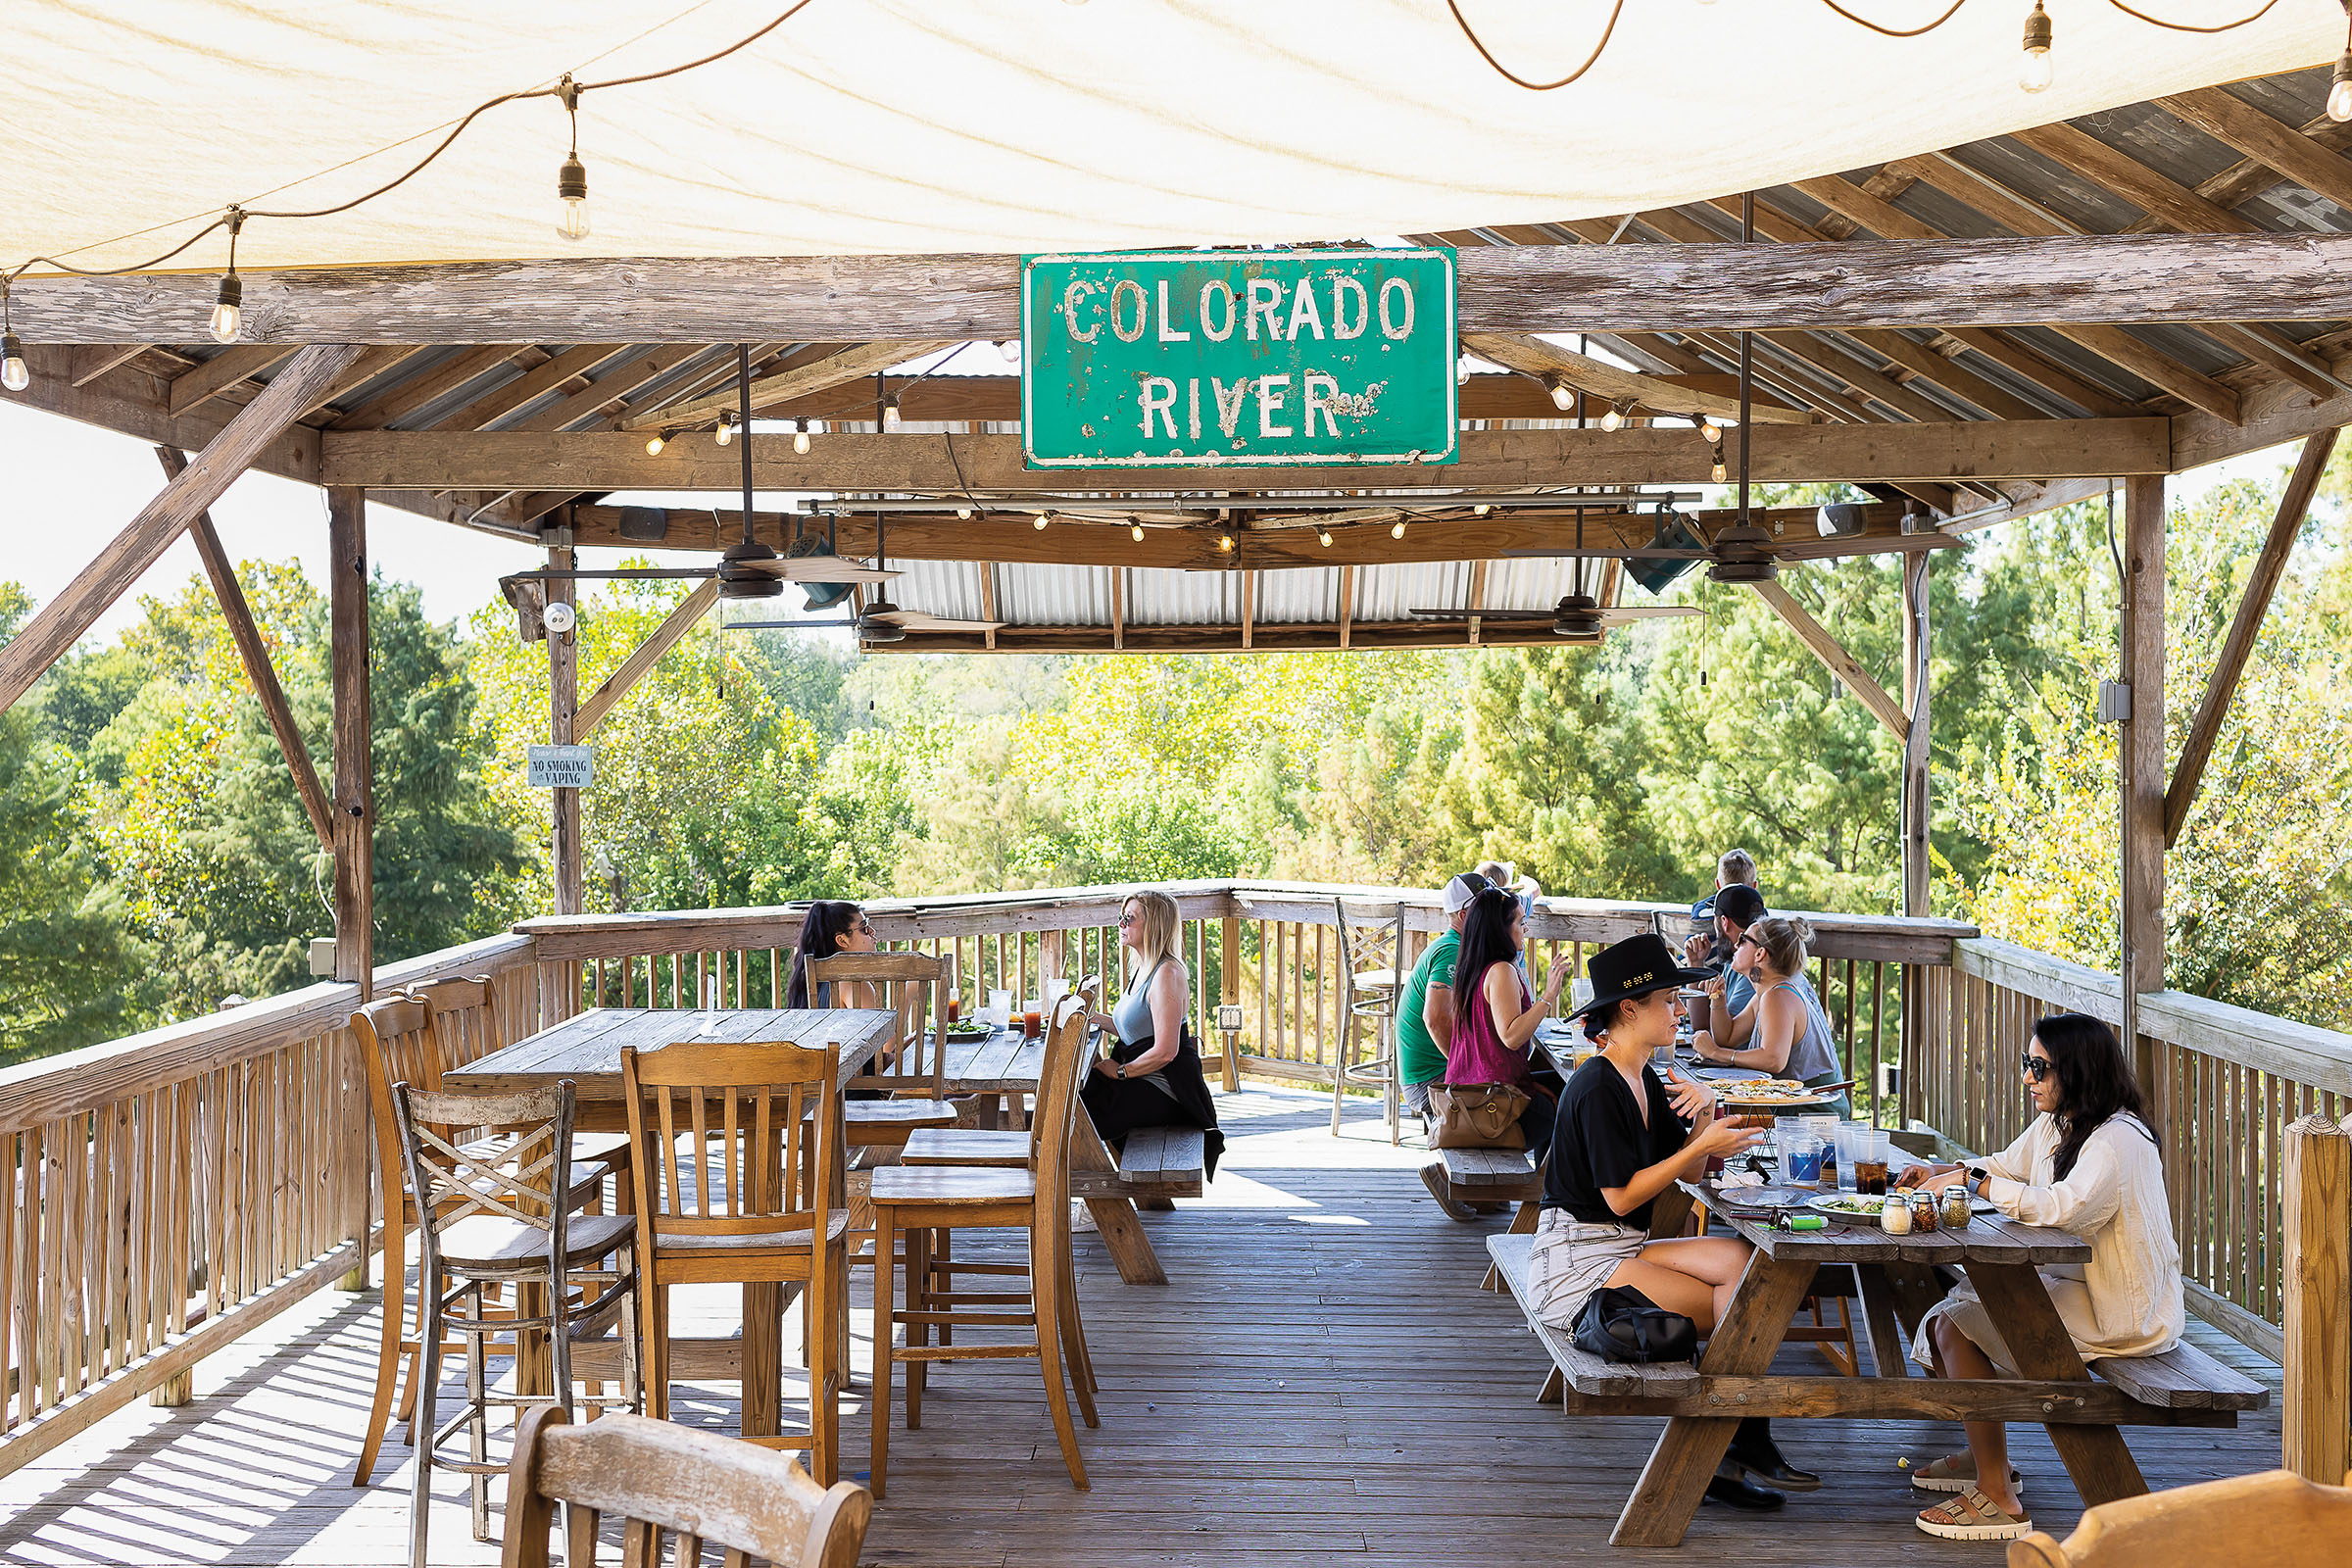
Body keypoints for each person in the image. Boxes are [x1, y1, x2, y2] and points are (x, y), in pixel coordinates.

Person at [1534, 933, 1810, 1511]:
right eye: (1670, 1000)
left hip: (1620, 1245)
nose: (1681, 1010)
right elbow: (1619, 1196)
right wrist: (1695, 1150)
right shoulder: (1596, 1086)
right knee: (1735, 1308)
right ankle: (1721, 1450)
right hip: (1576, 1261)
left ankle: (1735, 1442)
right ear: (1630, 1010)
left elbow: (1680, 1166)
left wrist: (1708, 1119)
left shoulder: (1645, 1078)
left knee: (1744, 1265)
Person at [1894, 1013, 2181, 1543]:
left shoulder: (2117, 1140)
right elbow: (2005, 1166)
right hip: (2082, 1287)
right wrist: (1944, 1175)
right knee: (1949, 1318)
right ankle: (1990, 1459)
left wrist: (1975, 1186)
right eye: (2027, 1064)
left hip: (2124, 1310)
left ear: (2077, 1070)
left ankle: (1997, 1494)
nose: (2027, 1076)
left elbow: (2061, 1210)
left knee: (1956, 1328)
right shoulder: (2063, 1121)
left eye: (2039, 1067)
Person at [1083, 889, 1226, 1178]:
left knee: (1075, 1113)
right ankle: (1092, 1198)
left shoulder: (1166, 975)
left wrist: (1121, 1071)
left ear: (1155, 925)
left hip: (1166, 1093)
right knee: (1072, 1100)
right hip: (1143, 1081)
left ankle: (1095, 1202)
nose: (1121, 924)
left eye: (1129, 918)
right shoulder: (1144, 968)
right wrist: (1088, 1019)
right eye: (1121, 917)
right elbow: (1135, 1029)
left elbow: (1165, 1050)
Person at [1445, 886, 1566, 1162]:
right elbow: (1511, 1036)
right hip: (1492, 1105)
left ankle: (1542, 1189)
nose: (1525, 928)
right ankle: (1545, 1191)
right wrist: (1548, 996)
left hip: (1469, 1094)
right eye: (1520, 922)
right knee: (1574, 1102)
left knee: (1563, 1086)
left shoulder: (1473, 967)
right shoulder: (1501, 971)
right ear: (1500, 929)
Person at [1690, 915, 1851, 1118]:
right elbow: (1728, 1037)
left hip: (1815, 1114)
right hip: (1796, 1108)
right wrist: (1718, 999)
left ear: (1760, 953)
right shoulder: (1767, 994)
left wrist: (1715, 1052)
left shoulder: (1778, 996)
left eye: (1742, 940)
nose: (1735, 945)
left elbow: (1774, 1059)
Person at [1693, 884, 1766, 1043]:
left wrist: (1716, 1053)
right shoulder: (1737, 958)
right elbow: (1702, 1025)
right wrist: (1696, 963)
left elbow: (1727, 1040)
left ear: (1724, 922)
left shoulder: (1757, 967)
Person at [786, 900, 879, 1009]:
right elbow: (878, 1026)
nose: (872, 931)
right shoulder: (854, 985)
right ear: (842, 940)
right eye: (864, 928)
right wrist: (905, 995)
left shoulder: (813, 981)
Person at [1686, 848, 1760, 968]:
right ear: (1754, 886)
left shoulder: (1699, 909)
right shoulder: (1759, 914)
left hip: (1701, 971)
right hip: (1742, 972)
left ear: (1718, 884)